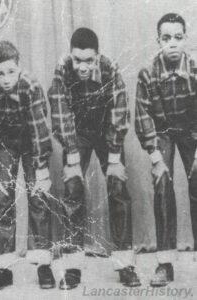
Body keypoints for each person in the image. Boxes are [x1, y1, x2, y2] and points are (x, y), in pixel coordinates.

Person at [48, 27, 140, 289]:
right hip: (77, 132)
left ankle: (125, 264)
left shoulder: (110, 68)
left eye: (89, 60)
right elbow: (60, 111)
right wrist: (72, 154)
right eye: (78, 60)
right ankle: (73, 267)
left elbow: (119, 110)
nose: (83, 67)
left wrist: (113, 156)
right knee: (73, 189)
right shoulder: (62, 69)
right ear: (71, 56)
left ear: (97, 57)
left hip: (106, 130)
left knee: (118, 187)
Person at [0, 40, 55, 291]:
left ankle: (43, 264)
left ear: (19, 68)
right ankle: (5, 268)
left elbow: (40, 129)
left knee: (38, 197)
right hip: (3, 144)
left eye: (11, 72)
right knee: (2, 198)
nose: (6, 79)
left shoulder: (30, 86)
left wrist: (41, 167)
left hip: (31, 142)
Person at [135, 12, 197, 287]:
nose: (172, 43)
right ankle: (165, 262)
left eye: (178, 37)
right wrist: (155, 155)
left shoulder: (195, 69)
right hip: (162, 134)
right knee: (162, 184)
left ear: (186, 38)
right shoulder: (148, 74)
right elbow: (142, 116)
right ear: (158, 40)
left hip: (193, 131)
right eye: (166, 38)